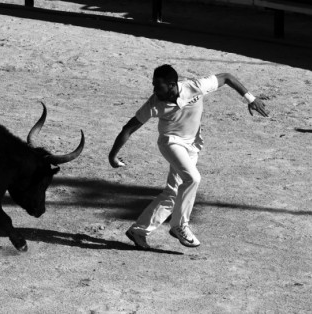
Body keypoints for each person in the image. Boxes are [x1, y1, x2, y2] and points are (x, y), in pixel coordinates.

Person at [108, 64, 269, 249]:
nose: (154, 90)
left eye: (158, 86)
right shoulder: (154, 103)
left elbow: (227, 77)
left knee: (173, 193)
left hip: (192, 145)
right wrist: (113, 155)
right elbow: (128, 128)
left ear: (171, 84)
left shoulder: (195, 86)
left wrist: (250, 98)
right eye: (153, 85)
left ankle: (139, 230)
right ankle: (179, 226)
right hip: (171, 143)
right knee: (193, 179)